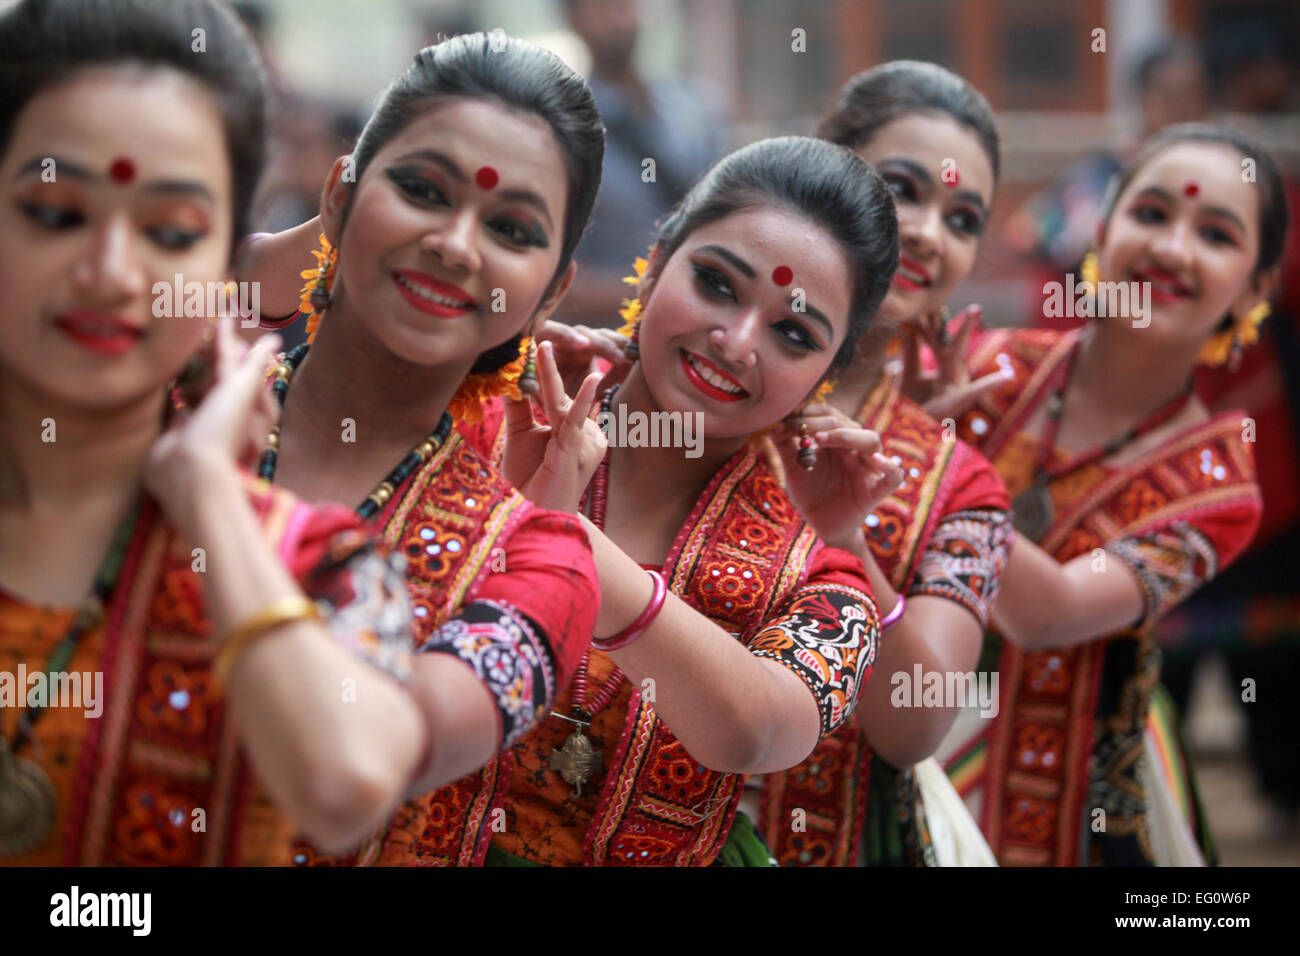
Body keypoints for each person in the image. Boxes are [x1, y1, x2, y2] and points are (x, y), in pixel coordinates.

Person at [0, 0, 431, 865]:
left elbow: (344, 783)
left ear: (226, 266)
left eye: (171, 232)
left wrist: (205, 493)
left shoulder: (321, 567)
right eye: (56, 213)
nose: (112, 273)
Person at [450, 136, 901, 866]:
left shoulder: (816, 572)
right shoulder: (483, 417)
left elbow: (756, 732)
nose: (736, 341)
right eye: (716, 283)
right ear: (656, 264)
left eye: (792, 332)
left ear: (830, 370)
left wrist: (557, 535)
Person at [237, 32, 618, 865]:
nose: (455, 243)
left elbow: (358, 764)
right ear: (338, 196)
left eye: (512, 228)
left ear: (552, 290)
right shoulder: (163, 407)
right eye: (420, 189)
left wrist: (202, 502)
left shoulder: (541, 563)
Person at [937, 123, 1286, 865]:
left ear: (1256, 288)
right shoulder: (986, 370)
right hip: (900, 744)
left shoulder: (1216, 481)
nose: (1173, 249)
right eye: (1151, 214)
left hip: (1079, 798)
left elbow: (1049, 615)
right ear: (1102, 232)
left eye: (1216, 234)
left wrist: (924, 453)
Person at [746, 60, 1013, 867]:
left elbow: (915, 725)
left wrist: (847, 541)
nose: (929, 231)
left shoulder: (957, 483)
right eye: (903, 189)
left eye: (962, 218)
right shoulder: (696, 383)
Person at [556, 0, 727, 329]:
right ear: (574, 18)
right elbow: (558, 285)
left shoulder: (694, 107)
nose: (619, 14)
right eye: (602, 5)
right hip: (612, 342)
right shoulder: (565, 128)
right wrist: (661, 288)